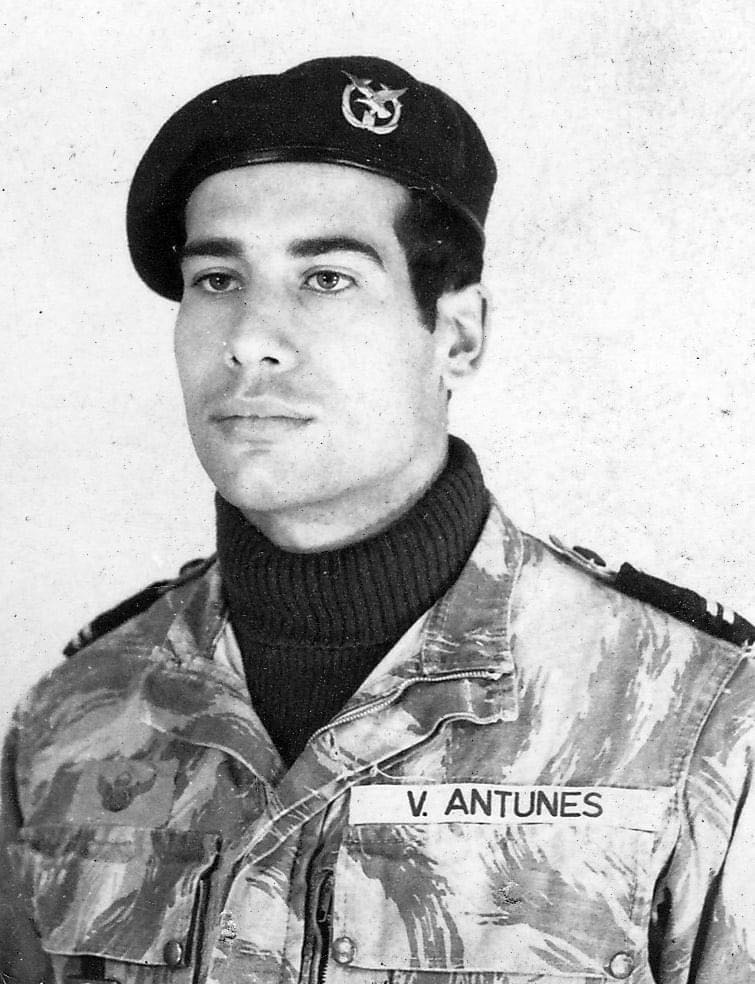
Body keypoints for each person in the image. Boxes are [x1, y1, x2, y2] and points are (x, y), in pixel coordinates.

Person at [1, 55, 754, 984]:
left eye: (325, 278)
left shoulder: (701, 714)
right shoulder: (75, 717)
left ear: (457, 336)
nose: (248, 340)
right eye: (217, 279)